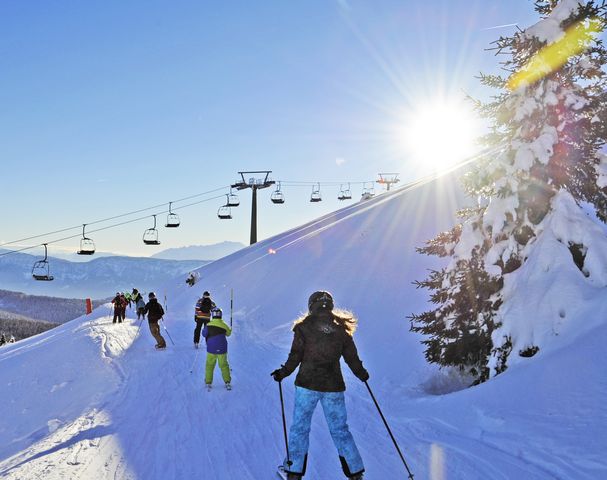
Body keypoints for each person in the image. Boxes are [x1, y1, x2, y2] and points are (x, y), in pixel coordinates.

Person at [271, 291, 368, 480]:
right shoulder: (341, 329)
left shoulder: (303, 327)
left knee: (300, 427)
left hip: (307, 385)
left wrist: (283, 373)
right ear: (330, 305)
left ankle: (293, 472)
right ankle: (356, 473)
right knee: (340, 429)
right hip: (333, 387)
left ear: (311, 306)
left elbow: (295, 357)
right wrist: (362, 374)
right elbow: (352, 358)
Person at [202, 307, 232, 390]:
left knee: (210, 365)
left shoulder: (209, 325)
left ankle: (208, 381)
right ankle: (227, 381)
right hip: (222, 349)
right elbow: (228, 333)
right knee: (223, 365)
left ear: (213, 315)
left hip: (211, 348)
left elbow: (204, 334)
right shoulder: (224, 325)